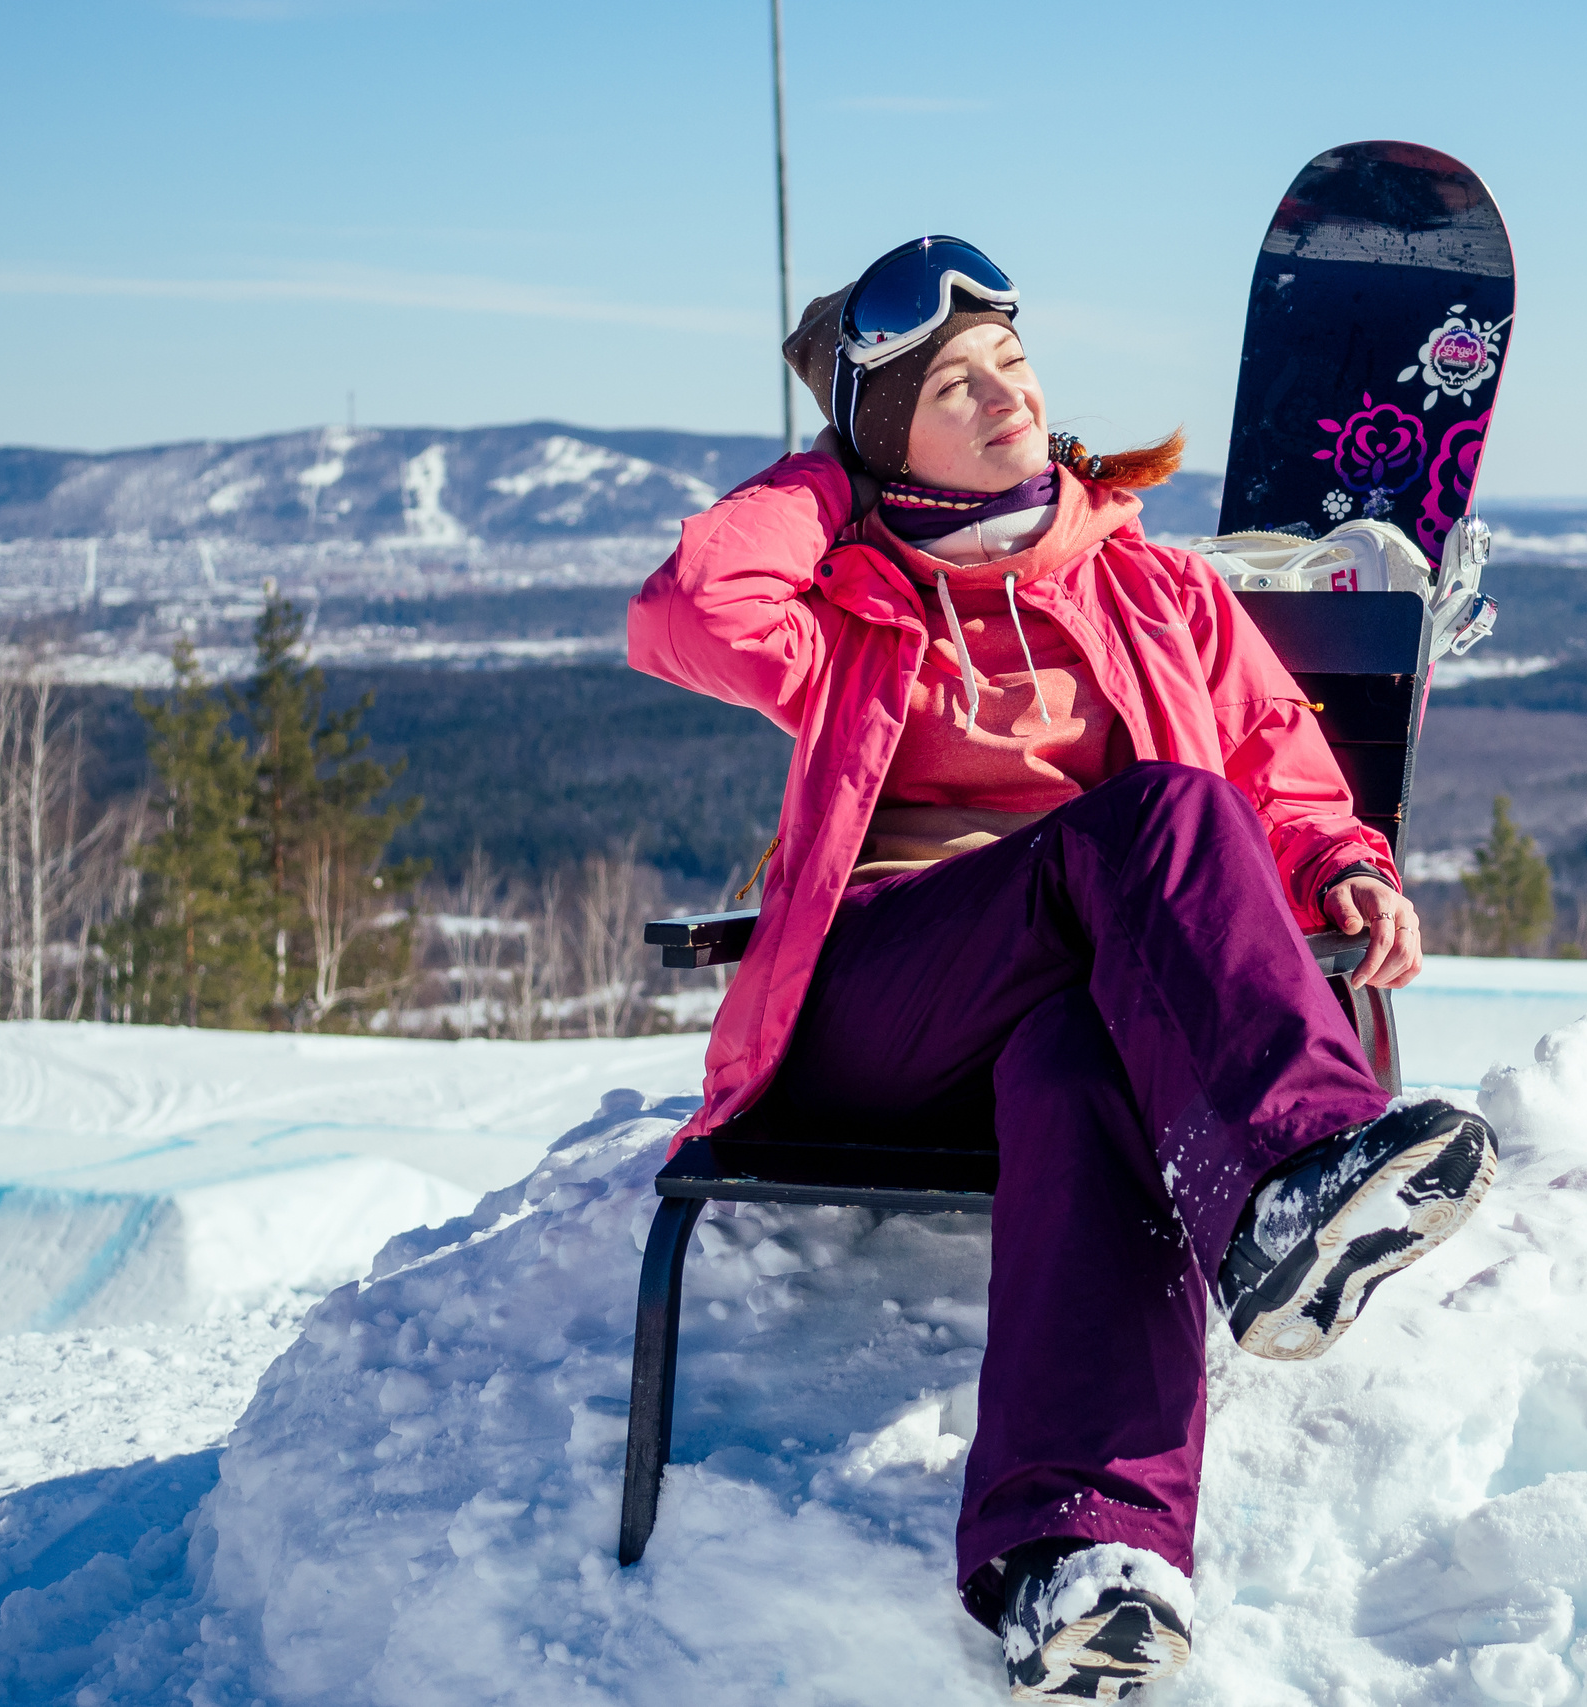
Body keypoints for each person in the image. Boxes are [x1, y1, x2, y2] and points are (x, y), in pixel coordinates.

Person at [628, 236, 1496, 1702]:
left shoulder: (1152, 588)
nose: (1004, 398)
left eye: (1013, 367)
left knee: (1087, 1061)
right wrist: (830, 483)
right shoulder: (846, 600)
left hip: (1058, 1015)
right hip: (886, 1005)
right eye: (952, 387)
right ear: (882, 438)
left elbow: (1281, 768)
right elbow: (691, 611)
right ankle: (1293, 1173)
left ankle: (1084, 1557)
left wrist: (1343, 864)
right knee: (1155, 818)